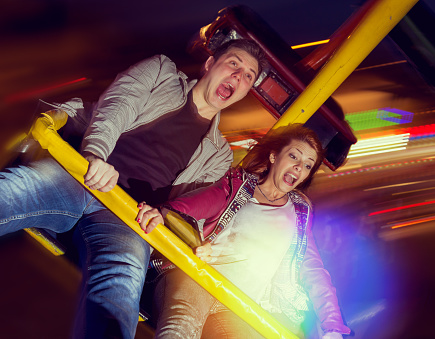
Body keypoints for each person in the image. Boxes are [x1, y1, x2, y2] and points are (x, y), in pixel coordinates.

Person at [0, 39, 266, 338]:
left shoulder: (219, 155)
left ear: (245, 91)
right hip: (80, 175)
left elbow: (190, 206)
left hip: (127, 217)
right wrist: (95, 155)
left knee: (119, 292)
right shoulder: (161, 72)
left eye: (248, 76)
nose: (238, 77)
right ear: (209, 65)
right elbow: (117, 107)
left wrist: (164, 215)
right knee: (11, 193)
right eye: (234, 64)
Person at [136, 124, 351, 338]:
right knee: (179, 330)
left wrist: (332, 326)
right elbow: (197, 203)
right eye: (294, 157)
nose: (298, 167)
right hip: (197, 279)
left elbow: (314, 272)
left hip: (236, 305)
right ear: (274, 156)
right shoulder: (238, 185)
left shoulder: (299, 215)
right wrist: (165, 213)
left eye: (307, 165)